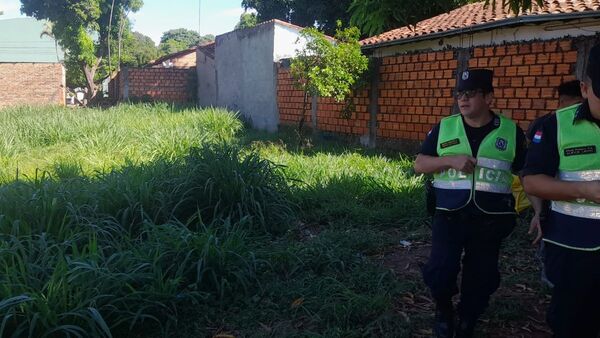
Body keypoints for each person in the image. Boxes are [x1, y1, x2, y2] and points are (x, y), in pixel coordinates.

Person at [414, 69, 533, 338]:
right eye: (460, 94)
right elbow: (420, 164)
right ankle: (443, 309)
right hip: (449, 214)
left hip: (491, 218)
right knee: (440, 270)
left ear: (489, 97)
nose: (463, 99)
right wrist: (450, 160)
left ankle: (469, 317)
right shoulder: (445, 127)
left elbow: (526, 174)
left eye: (470, 93)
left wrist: (539, 211)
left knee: (482, 276)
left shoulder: (511, 132)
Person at [522, 43, 600, 338]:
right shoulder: (555, 126)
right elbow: (531, 181)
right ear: (584, 88)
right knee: (570, 322)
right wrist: (584, 189)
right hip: (572, 245)